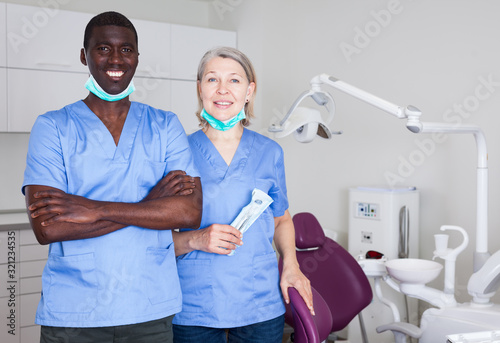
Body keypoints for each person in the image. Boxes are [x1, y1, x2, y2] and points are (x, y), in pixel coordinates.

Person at [22, 11, 202, 343]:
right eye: (103, 48)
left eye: (126, 49)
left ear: (136, 57)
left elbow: (188, 213)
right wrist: (150, 205)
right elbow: (48, 228)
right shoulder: (53, 127)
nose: (116, 59)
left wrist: (97, 209)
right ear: (84, 55)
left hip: (149, 307)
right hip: (74, 312)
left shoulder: (165, 125)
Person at [171, 47, 314, 343]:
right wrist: (196, 239)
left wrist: (291, 264)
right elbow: (150, 239)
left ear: (249, 91)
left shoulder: (269, 152)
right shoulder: (175, 153)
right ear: (200, 89)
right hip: (194, 304)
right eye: (212, 80)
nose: (223, 90)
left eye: (234, 81)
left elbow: (281, 220)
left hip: (258, 303)